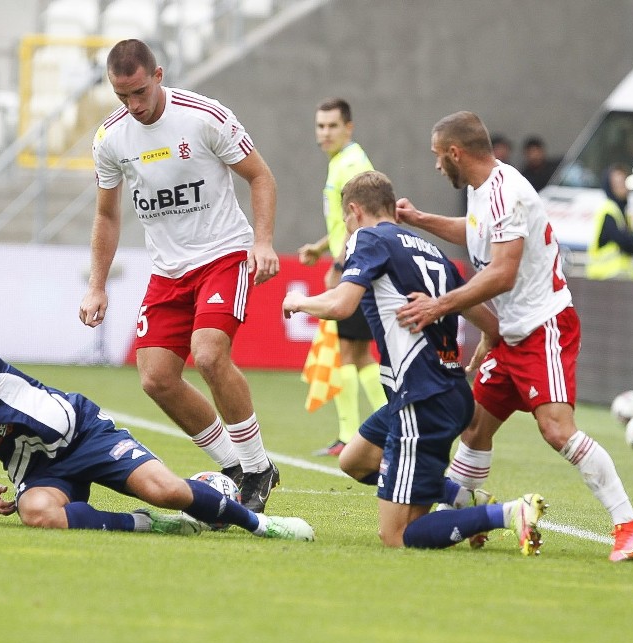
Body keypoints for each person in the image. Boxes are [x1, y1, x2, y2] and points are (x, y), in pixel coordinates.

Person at [395, 111, 633, 561]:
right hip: (514, 334)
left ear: (456, 153)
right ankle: (470, 515)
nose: (437, 166)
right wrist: (420, 219)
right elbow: (475, 235)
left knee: (556, 431)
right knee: (474, 426)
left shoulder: (506, 192)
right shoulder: (481, 191)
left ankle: (629, 524)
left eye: (439, 157)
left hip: (543, 327)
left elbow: (503, 273)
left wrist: (440, 304)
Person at [283, 170, 546, 553]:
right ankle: (464, 499)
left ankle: (508, 514)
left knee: (399, 536)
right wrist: (479, 349)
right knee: (355, 460)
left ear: (354, 211)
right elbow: (491, 323)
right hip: (446, 390)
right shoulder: (431, 250)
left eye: (345, 220)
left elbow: (341, 304)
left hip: (421, 399)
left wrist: (299, 301)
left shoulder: (367, 238)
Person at [78, 39, 280, 512]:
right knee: (156, 379)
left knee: (209, 355)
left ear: (159, 75)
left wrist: (263, 242)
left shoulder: (204, 116)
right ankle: (234, 466)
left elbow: (261, 176)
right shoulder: (111, 138)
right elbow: (107, 216)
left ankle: (257, 467)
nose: (133, 106)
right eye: (121, 96)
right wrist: (97, 284)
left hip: (222, 255)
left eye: (140, 92)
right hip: (167, 270)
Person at [0, 348, 314, 541]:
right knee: (36, 513)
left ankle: (260, 524)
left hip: (81, 433)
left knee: (169, 490)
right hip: (37, 469)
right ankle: (152, 525)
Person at [298, 98, 387, 456]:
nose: (325, 133)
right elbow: (345, 219)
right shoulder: (344, 162)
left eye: (332, 126)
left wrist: (338, 266)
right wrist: (322, 248)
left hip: (355, 264)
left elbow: (362, 218)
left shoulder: (350, 165)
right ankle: (374, 428)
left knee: (351, 352)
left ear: (348, 127)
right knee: (357, 352)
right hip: (355, 261)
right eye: (320, 126)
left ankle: (353, 434)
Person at [586, 163, 633, 280]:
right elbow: (626, 243)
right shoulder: (609, 211)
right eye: (618, 183)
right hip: (605, 277)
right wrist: (631, 240)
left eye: (624, 182)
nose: (623, 186)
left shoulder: (624, 213)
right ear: (610, 186)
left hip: (622, 276)